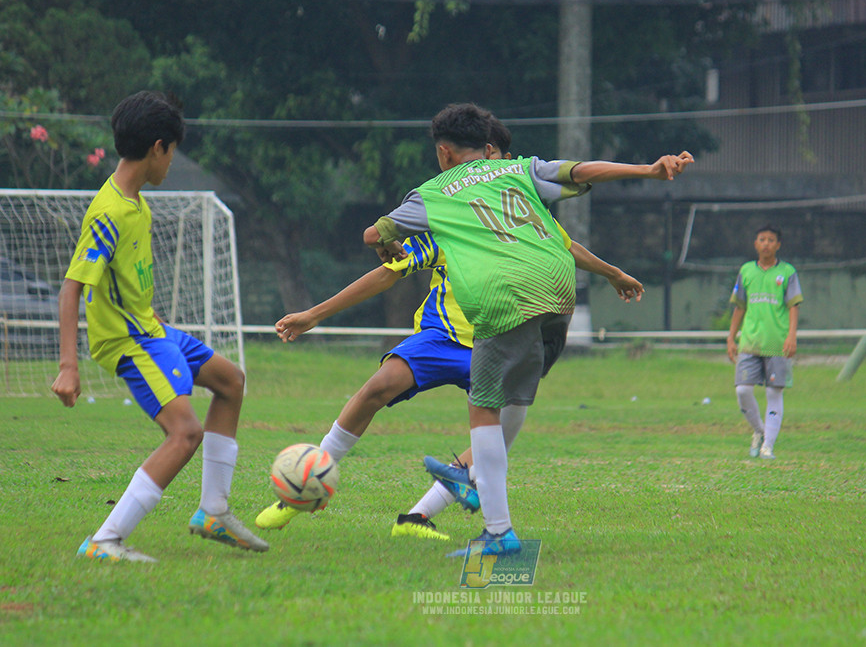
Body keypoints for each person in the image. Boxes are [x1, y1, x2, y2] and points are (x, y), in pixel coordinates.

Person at [255, 116, 644, 540]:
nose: (501, 162)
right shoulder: (451, 212)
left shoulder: (513, 209)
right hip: (443, 337)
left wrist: (612, 273)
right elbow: (388, 271)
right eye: (496, 152)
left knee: (496, 436)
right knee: (377, 387)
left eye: (506, 156)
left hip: (499, 335)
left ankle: (419, 516)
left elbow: (567, 246)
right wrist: (314, 315)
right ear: (483, 153)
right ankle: (304, 484)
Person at [365, 102, 693, 556]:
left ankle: (496, 528)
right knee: (514, 397)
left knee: (482, 407)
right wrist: (650, 170)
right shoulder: (518, 170)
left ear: (443, 153)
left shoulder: (434, 192)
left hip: (506, 294)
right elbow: (580, 171)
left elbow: (373, 235)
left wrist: (386, 242)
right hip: (558, 290)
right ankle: (467, 482)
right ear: (487, 147)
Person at [51, 91, 268, 562]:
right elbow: (71, 290)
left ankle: (213, 511)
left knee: (231, 381)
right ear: (158, 147)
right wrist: (69, 366)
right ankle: (105, 540)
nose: (171, 162)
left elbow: (124, 283)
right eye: (172, 151)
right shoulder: (109, 214)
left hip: (153, 331)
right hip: (130, 343)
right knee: (185, 433)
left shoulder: (136, 204)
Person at [726, 223, 802, 460]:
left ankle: (768, 446)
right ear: (755, 244)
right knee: (742, 390)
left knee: (774, 393)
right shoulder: (746, 271)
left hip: (777, 343)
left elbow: (793, 306)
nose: (766, 243)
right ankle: (760, 431)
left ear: (778, 245)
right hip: (750, 342)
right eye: (762, 239)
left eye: (771, 240)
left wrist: (791, 336)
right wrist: (731, 337)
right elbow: (740, 307)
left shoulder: (787, 272)